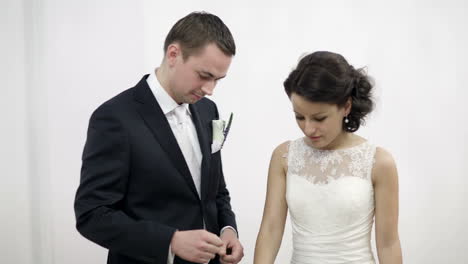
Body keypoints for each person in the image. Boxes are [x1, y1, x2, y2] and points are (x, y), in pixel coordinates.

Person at [74, 11, 244, 264]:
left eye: (218, 80)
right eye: (204, 75)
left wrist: (227, 229)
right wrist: (170, 241)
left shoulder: (208, 110)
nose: (210, 90)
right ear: (173, 54)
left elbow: (215, 189)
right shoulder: (114, 117)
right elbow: (92, 214)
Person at [254, 51, 402, 263]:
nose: (308, 128)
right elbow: (270, 231)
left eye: (319, 118)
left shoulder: (379, 162)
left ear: (346, 107)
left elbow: (388, 244)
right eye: (299, 117)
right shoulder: (284, 157)